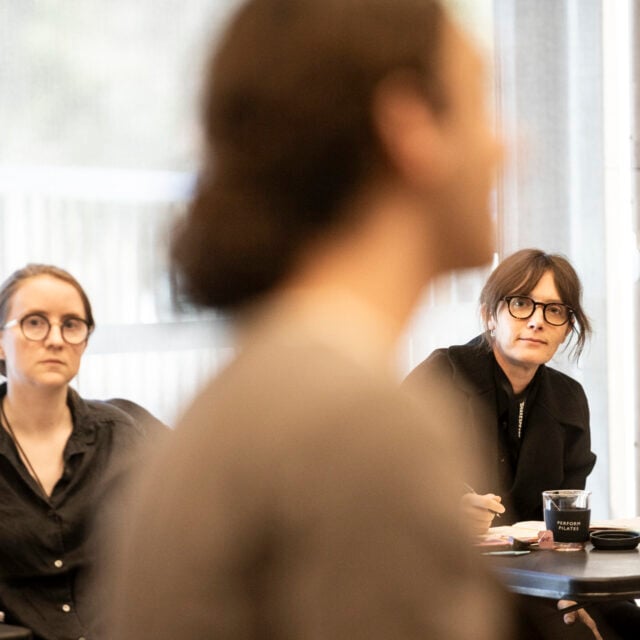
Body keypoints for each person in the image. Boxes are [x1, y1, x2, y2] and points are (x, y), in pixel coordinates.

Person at [108, 1, 510, 639]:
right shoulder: (363, 423)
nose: (505, 146)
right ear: (409, 126)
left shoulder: (241, 401)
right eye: (480, 104)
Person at [404, 248, 639, 639]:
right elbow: (384, 481)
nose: (536, 321)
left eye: (555, 310)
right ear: (488, 315)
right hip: (453, 577)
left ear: (568, 327)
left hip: (542, 577)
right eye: (520, 304)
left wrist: (566, 592)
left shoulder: (568, 398)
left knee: (627, 622)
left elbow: (565, 524)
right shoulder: (442, 373)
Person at [0, 264, 165, 640]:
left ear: (85, 341)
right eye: (35, 322)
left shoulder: (126, 430)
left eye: (72, 324)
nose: (56, 339)